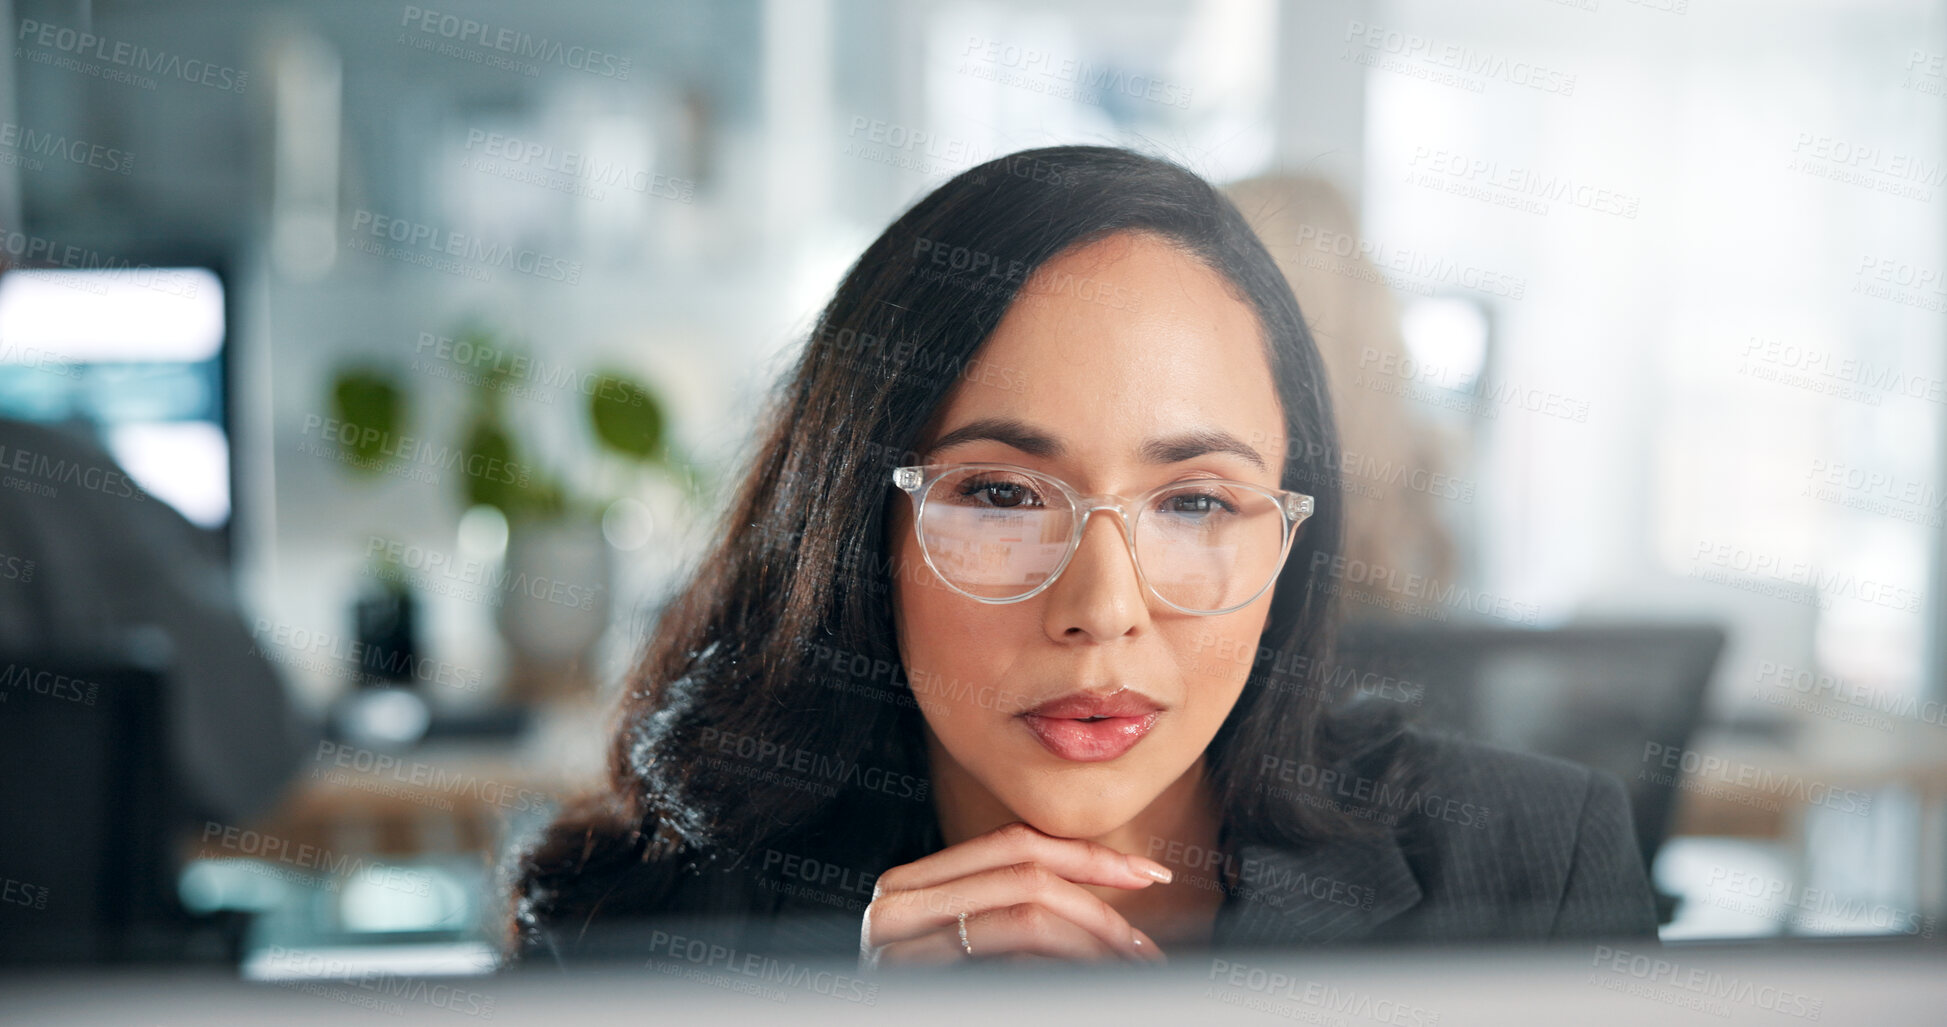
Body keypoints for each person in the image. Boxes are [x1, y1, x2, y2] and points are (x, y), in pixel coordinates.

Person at [503, 145, 1658, 969]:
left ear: (1290, 547)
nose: (1102, 608)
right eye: (1001, 493)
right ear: (858, 530)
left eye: (1198, 501)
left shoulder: (1528, 869)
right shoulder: (643, 933)